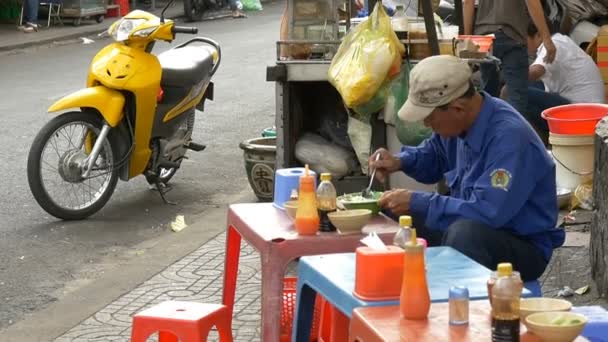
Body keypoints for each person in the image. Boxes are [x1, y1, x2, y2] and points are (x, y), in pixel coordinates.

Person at [370, 55, 564, 281]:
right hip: (471, 223)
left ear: (458, 108)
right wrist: (398, 161)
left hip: (520, 244)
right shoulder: (458, 123)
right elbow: (433, 155)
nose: (425, 124)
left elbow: (487, 212)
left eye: (429, 117)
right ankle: (393, 289)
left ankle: (458, 306)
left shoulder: (510, 139)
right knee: (391, 209)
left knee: (465, 234)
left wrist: (417, 201)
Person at [463, 0, 556, 115]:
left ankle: (490, 129)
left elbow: (468, 2)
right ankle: (512, 130)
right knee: (517, 97)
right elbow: (532, 2)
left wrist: (467, 38)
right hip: (512, 34)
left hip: (483, 36)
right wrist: (546, 37)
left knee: (488, 94)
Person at [522, 20, 605, 141]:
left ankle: (538, 142)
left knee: (514, 91)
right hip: (587, 111)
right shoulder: (561, 40)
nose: (522, 44)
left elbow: (535, 71)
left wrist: (506, 72)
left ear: (539, 35)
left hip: (582, 117)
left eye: (524, 39)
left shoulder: (554, 44)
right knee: (529, 86)